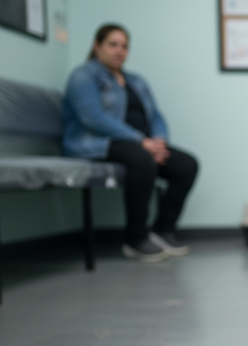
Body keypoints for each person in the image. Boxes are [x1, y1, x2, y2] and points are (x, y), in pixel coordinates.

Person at [62, 24, 199, 263]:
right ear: (97, 46)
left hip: (142, 144)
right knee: (142, 161)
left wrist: (159, 142)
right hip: (98, 142)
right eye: (113, 44)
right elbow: (93, 118)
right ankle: (136, 239)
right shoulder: (83, 76)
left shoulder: (136, 81)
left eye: (124, 46)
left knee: (187, 165)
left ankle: (162, 230)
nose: (120, 51)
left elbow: (155, 115)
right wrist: (141, 141)